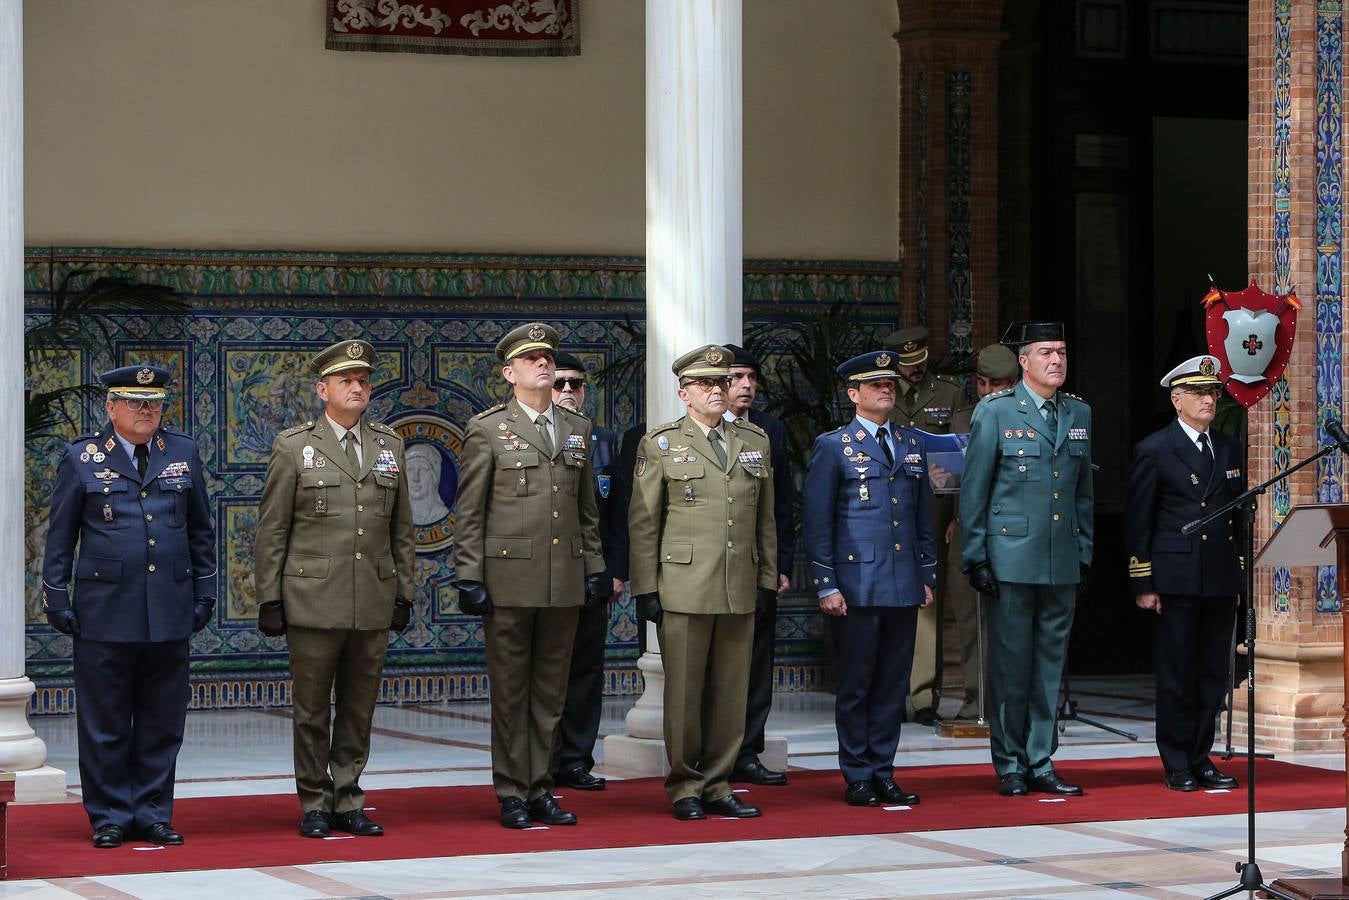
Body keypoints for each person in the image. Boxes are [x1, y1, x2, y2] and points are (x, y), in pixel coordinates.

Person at [41, 364, 217, 848]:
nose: (147, 410)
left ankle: (154, 812)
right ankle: (111, 815)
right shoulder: (83, 457)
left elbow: (201, 529)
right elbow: (60, 537)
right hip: (105, 609)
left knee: (163, 719)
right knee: (106, 722)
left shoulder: (181, 451)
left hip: (169, 607)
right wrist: (56, 598)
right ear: (111, 406)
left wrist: (204, 592)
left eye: (155, 403)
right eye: (136, 402)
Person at [254, 340, 416, 838]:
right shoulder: (294, 446)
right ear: (322, 390)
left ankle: (348, 796)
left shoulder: (389, 445)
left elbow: (401, 528)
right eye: (346, 380)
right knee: (311, 709)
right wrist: (270, 597)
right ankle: (314, 802)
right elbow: (273, 528)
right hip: (313, 599)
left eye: (363, 380)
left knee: (358, 706)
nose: (357, 387)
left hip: (372, 595)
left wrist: (404, 591)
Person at [452, 323, 608, 829]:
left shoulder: (577, 428)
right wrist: (469, 575)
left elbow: (585, 509)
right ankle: (512, 792)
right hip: (509, 579)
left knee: (550, 692)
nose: (543, 364)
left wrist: (594, 567)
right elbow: (470, 511)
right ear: (509, 373)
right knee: (511, 693)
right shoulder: (488, 429)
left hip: (563, 578)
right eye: (531, 358)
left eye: (548, 357)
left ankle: (541, 788)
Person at [628, 344, 777, 821]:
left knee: (731, 693)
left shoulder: (753, 441)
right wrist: (645, 589)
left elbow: (766, 518)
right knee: (685, 693)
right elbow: (645, 522)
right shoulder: (662, 443)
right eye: (705, 384)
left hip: (738, 584)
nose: (717, 390)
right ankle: (685, 784)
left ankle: (718, 782)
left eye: (722, 382)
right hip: (684, 585)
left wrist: (766, 578)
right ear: (684, 393)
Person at [960, 321, 1093, 797]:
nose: (1056, 360)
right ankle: (1010, 762)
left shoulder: (1078, 411)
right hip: (1010, 557)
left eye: (1061, 352)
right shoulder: (996, 411)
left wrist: (1084, 552)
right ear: (1024, 361)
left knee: (1049, 666)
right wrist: (975, 556)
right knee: (1011, 667)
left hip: (1060, 558)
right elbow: (975, 489)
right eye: (1045, 353)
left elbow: (1082, 492)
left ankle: (1041, 759)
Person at [803, 350, 935, 807]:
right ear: (853, 394)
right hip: (856, 583)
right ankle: (858, 773)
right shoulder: (834, 446)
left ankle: (884, 770)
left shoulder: (911, 442)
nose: (886, 390)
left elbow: (922, 515)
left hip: (902, 581)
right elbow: (818, 521)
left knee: (892, 685)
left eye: (890, 384)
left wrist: (926, 572)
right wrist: (826, 583)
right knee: (857, 684)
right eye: (876, 385)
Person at [1125, 354, 1242, 792]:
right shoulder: (1155, 449)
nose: (1208, 400)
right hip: (1176, 575)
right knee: (1177, 672)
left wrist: (1239, 574)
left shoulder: (1228, 447)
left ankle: (1200, 756)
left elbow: (1237, 516)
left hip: (1218, 574)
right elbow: (1140, 520)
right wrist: (1143, 581)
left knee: (1212, 674)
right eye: (1198, 393)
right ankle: (1176, 761)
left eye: (1212, 392)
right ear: (1177, 400)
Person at [550, 350, 626, 792]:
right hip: (545, 575)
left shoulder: (603, 440)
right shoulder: (526, 436)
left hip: (592, 574)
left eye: (574, 384)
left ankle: (576, 760)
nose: (567, 391)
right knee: (545, 671)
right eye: (558, 383)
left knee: (585, 671)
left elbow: (617, 514)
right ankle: (541, 760)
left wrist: (616, 570)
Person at [884, 326, 963, 726]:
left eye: (920, 362)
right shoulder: (880, 392)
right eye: (907, 364)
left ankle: (923, 697)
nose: (915, 370)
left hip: (934, 512)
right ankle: (890, 695)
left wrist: (957, 514)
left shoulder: (948, 392)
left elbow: (963, 452)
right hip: (888, 512)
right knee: (886, 603)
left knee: (928, 603)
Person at [724, 343, 795, 787]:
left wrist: (781, 562)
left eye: (751, 377)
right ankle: (710, 753)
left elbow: (781, 503)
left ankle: (749, 750)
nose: (746, 385)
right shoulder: (694, 430)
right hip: (710, 567)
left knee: (756, 662)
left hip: (756, 565)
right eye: (737, 378)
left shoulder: (770, 430)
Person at [944, 344, 1020, 720]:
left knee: (1013, 620)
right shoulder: (963, 418)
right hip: (967, 528)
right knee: (969, 619)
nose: (988, 391)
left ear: (1014, 383)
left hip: (1013, 531)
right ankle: (977, 699)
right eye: (982, 383)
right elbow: (956, 479)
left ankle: (1012, 701)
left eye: (998, 384)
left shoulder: (1027, 416)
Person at [404, 443, 450, 525]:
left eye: (423, 470)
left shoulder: (442, 515)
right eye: (410, 470)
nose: (416, 478)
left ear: (434, 477)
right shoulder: (399, 515)